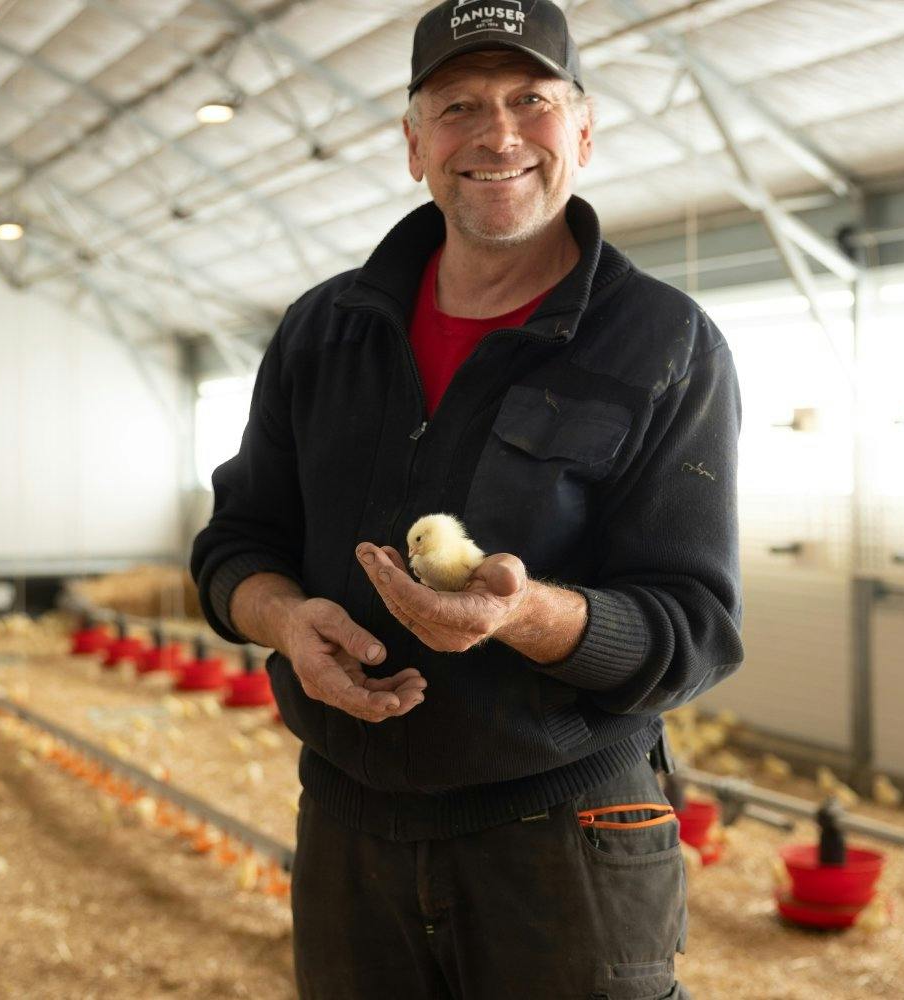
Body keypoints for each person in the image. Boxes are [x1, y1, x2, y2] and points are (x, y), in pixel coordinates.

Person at [189, 1, 744, 996]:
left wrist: (522, 614)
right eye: (459, 106)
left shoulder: (664, 344)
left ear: (582, 131)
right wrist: (285, 619)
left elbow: (694, 626)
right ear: (413, 145)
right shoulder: (325, 332)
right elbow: (236, 541)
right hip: (348, 832)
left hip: (564, 842)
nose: (498, 135)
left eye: (531, 99)